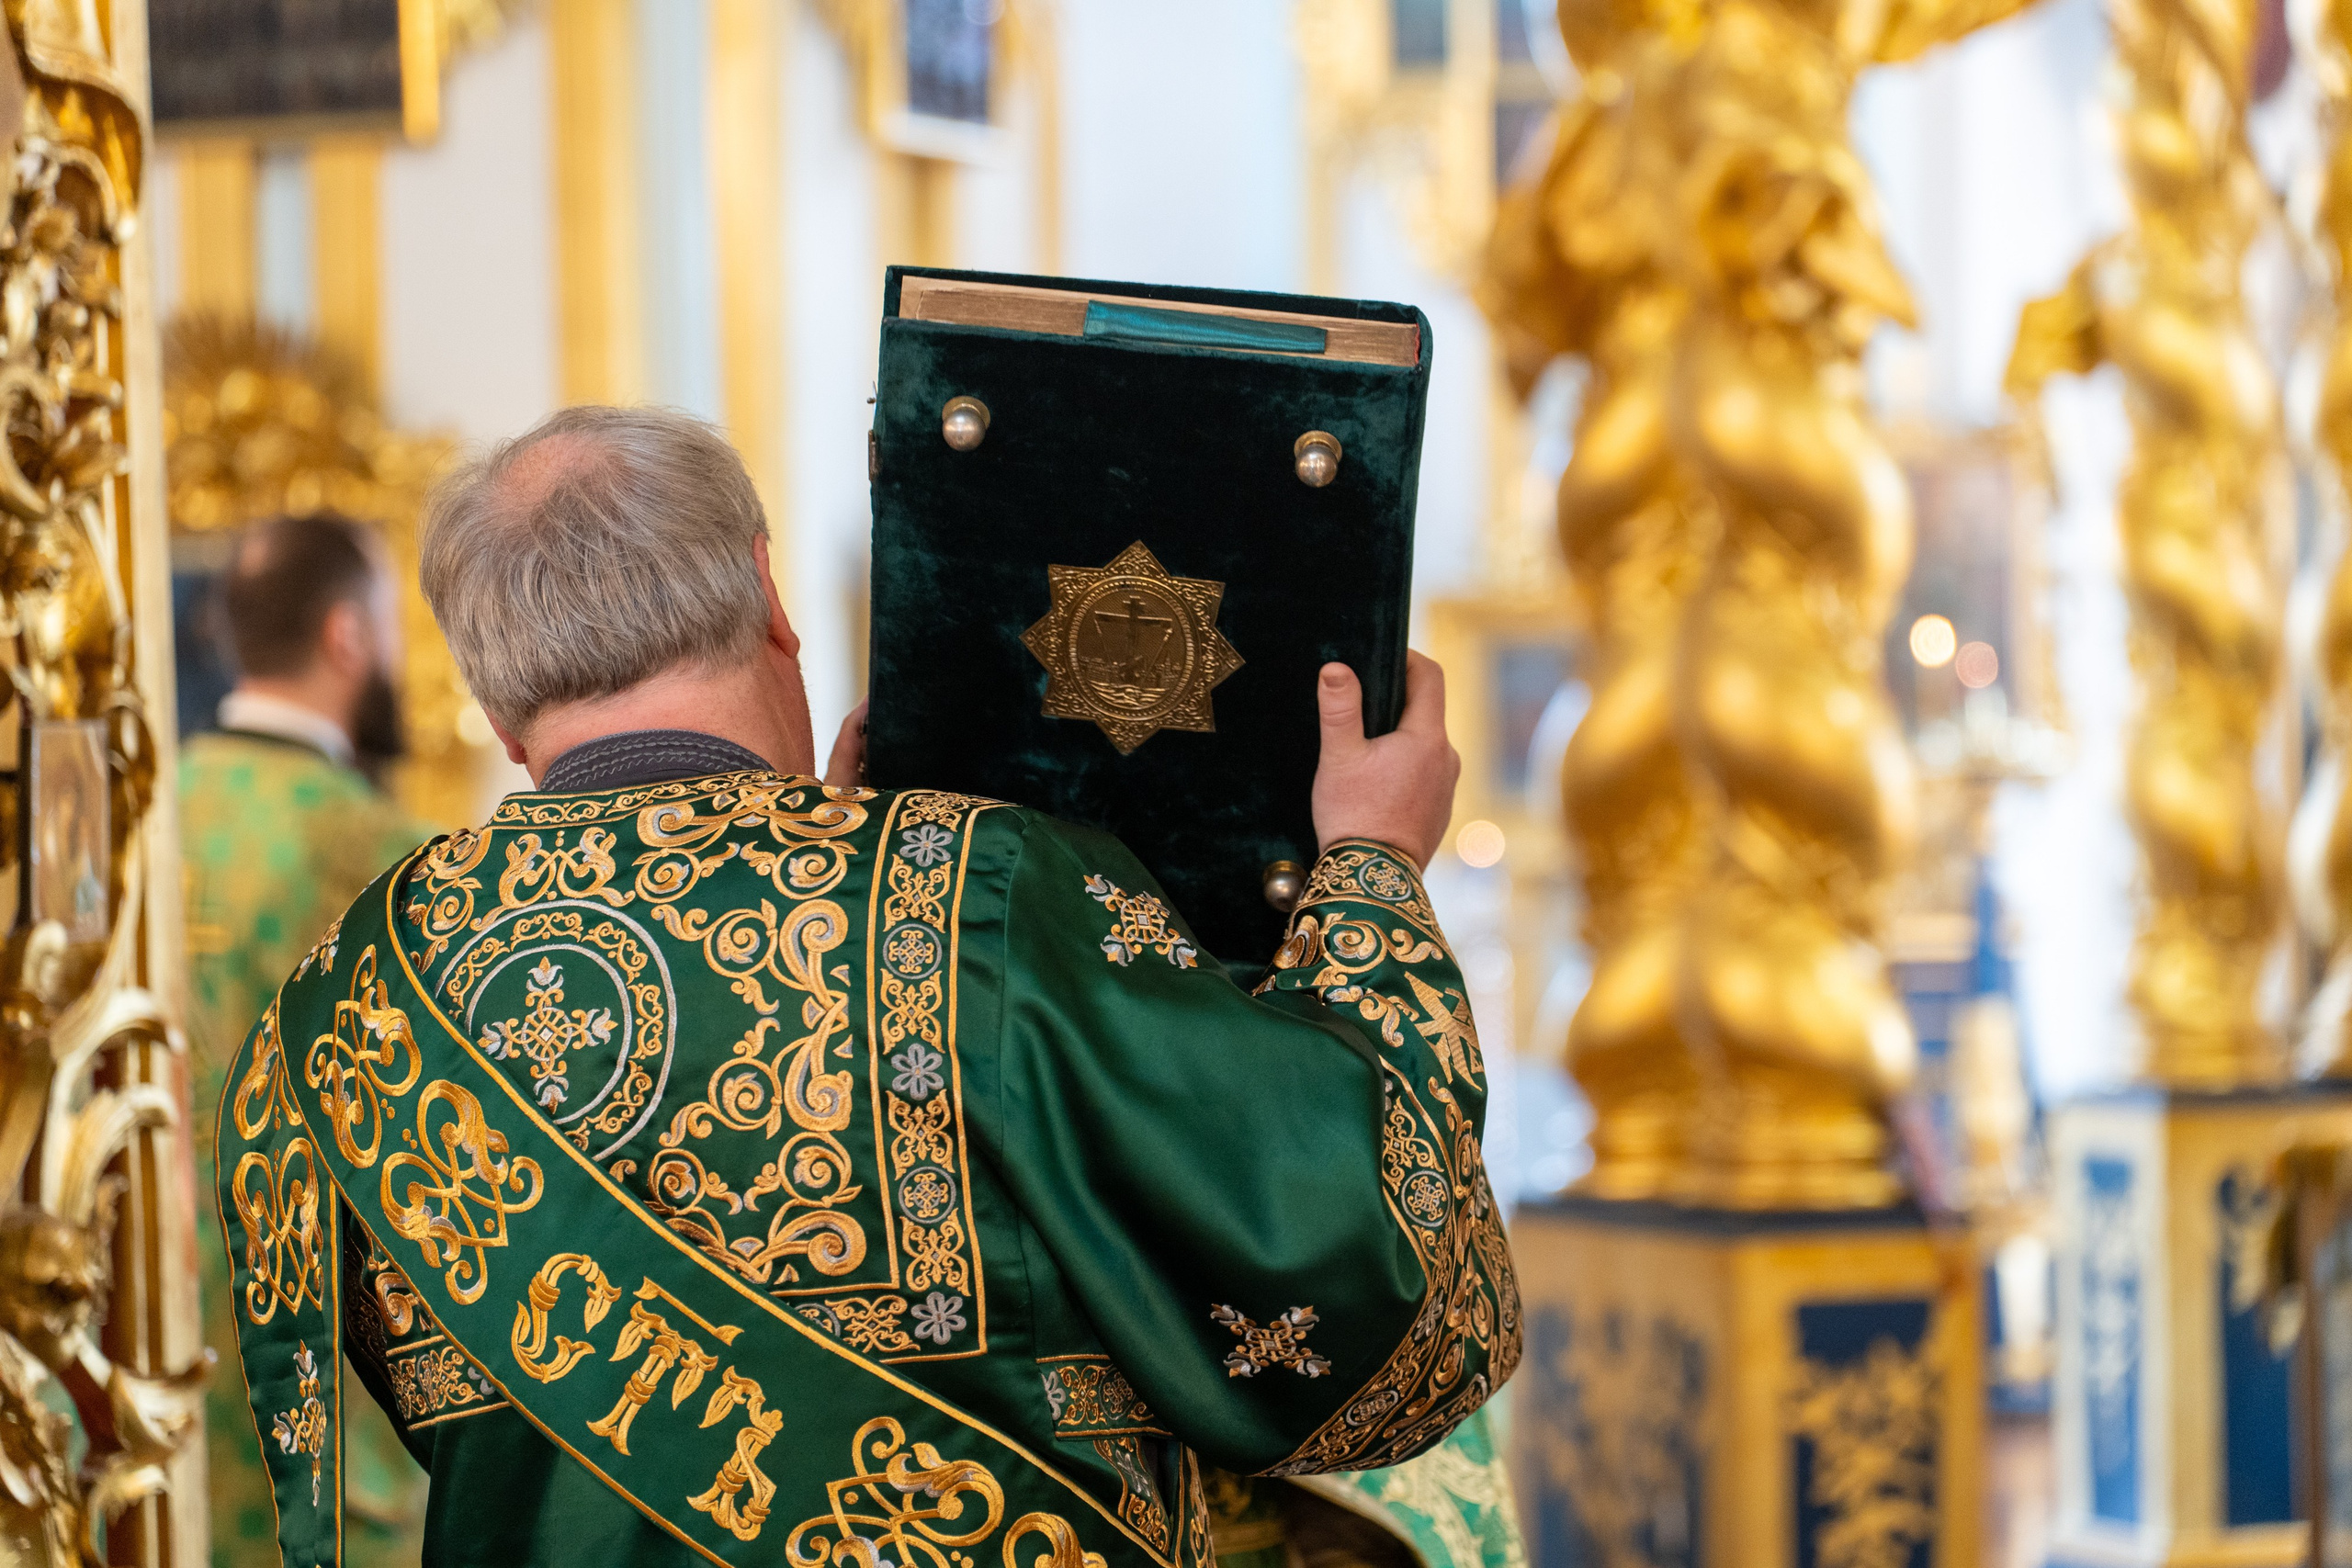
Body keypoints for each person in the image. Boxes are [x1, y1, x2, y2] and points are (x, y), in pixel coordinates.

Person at [215, 406, 1519, 1568]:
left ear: (504, 712)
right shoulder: (974, 894)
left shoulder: (350, 996)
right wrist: (1374, 864)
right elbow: (1347, 1239)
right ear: (773, 604)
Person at [182, 513, 435, 1568]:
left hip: (159, 1355)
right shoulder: (378, 852)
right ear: (347, 638)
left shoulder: (141, 814)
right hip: (319, 1376)